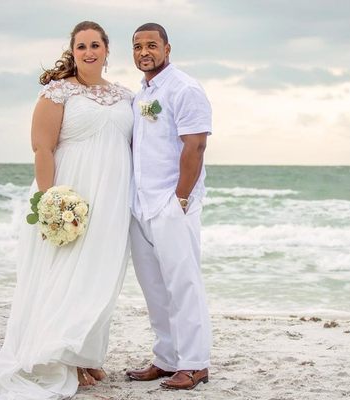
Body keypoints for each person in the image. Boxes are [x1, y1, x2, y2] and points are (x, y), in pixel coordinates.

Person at [0, 21, 134, 399]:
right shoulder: (57, 93)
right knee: (63, 275)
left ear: (107, 50)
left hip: (113, 199)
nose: (89, 51)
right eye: (81, 46)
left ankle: (86, 353)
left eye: (95, 45)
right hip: (70, 198)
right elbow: (42, 149)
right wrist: (52, 200)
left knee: (99, 276)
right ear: (73, 51)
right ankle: (59, 355)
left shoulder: (125, 95)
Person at [125, 22, 212, 391]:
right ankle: (166, 359)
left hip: (171, 203)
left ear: (167, 48)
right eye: (137, 46)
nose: (144, 52)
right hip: (141, 205)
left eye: (151, 45)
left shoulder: (185, 89)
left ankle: (194, 364)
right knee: (154, 288)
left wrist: (180, 199)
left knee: (183, 284)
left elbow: (195, 147)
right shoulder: (140, 94)